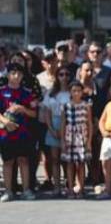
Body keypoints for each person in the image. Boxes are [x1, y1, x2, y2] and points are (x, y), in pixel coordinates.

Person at [0, 63, 39, 202]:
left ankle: (26, 190)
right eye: (13, 73)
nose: (16, 76)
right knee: (8, 162)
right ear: (8, 74)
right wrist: (5, 122)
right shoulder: (2, 91)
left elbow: (34, 114)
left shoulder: (27, 93)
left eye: (19, 74)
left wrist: (23, 109)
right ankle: (8, 191)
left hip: (23, 133)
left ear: (22, 76)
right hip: (6, 134)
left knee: (24, 161)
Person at [41, 65, 73, 194]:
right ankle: (57, 186)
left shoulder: (72, 92)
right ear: (57, 77)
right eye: (61, 74)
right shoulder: (51, 92)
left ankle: (70, 185)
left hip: (70, 124)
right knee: (54, 158)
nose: (64, 77)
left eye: (66, 74)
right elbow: (47, 112)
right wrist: (51, 128)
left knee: (68, 158)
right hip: (54, 123)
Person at [61, 80, 93, 199]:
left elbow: (89, 123)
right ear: (70, 92)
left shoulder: (86, 106)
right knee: (70, 163)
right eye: (74, 91)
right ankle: (70, 188)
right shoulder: (66, 106)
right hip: (70, 136)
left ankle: (81, 188)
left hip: (82, 135)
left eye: (79, 91)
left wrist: (89, 140)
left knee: (81, 163)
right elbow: (63, 123)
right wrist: (63, 140)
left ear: (82, 92)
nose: (76, 93)